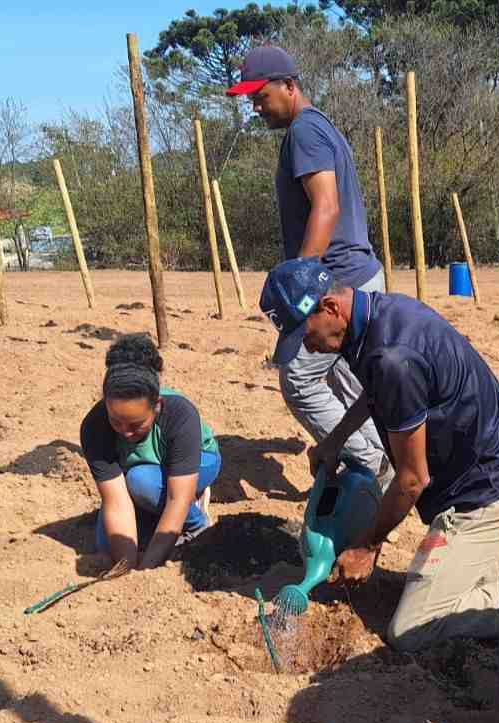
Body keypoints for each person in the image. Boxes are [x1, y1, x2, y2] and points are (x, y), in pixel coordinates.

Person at [261, 257, 499, 651]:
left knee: (410, 629)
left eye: (305, 331)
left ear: (331, 307)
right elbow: (379, 393)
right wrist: (334, 440)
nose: (307, 343)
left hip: (489, 491)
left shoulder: (391, 357)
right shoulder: (377, 318)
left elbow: (411, 479)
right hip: (486, 467)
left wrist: (369, 545)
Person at [227, 45, 391, 486]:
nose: (256, 107)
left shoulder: (304, 132)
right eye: (251, 100)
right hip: (355, 274)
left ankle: (371, 462)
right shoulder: (319, 128)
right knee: (344, 379)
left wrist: (303, 279)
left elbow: (326, 207)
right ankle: (383, 461)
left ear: (289, 86)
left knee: (299, 378)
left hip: (336, 279)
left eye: (261, 97)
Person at [79, 334, 220, 573]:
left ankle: (196, 521)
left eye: (135, 425)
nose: (125, 432)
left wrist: (147, 568)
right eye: (117, 422)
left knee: (139, 481)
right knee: (106, 546)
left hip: (198, 461)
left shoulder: (180, 414)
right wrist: (126, 565)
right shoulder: (94, 426)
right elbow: (115, 501)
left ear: (157, 406)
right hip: (142, 470)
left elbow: (177, 500)